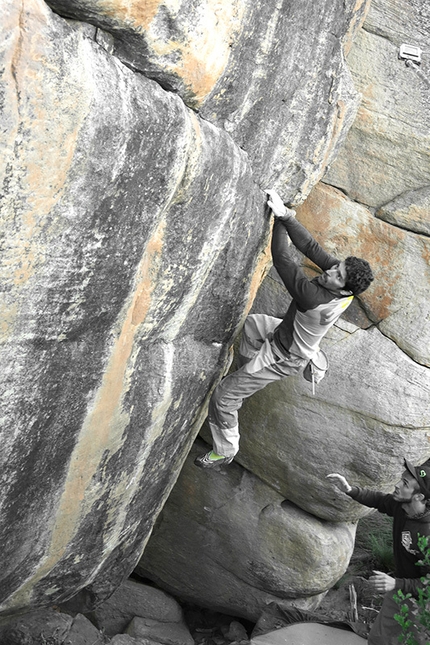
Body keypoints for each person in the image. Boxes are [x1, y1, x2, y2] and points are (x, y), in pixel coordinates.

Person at [194, 188, 374, 469]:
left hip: (284, 356)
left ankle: (225, 449)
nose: (330, 272)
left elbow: (283, 259)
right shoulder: (346, 288)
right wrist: (288, 215)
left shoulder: (313, 298)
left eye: (337, 275)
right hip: (287, 335)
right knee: (254, 326)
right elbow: (312, 248)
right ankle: (246, 378)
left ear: (344, 287)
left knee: (223, 397)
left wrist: (278, 220)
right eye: (336, 267)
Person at [327, 459, 430, 645]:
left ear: (419, 497)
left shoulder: (427, 533)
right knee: (378, 640)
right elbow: (380, 500)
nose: (397, 485)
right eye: (401, 479)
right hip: (399, 591)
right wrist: (350, 490)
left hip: (423, 604)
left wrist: (396, 583)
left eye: (405, 484)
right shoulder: (403, 507)